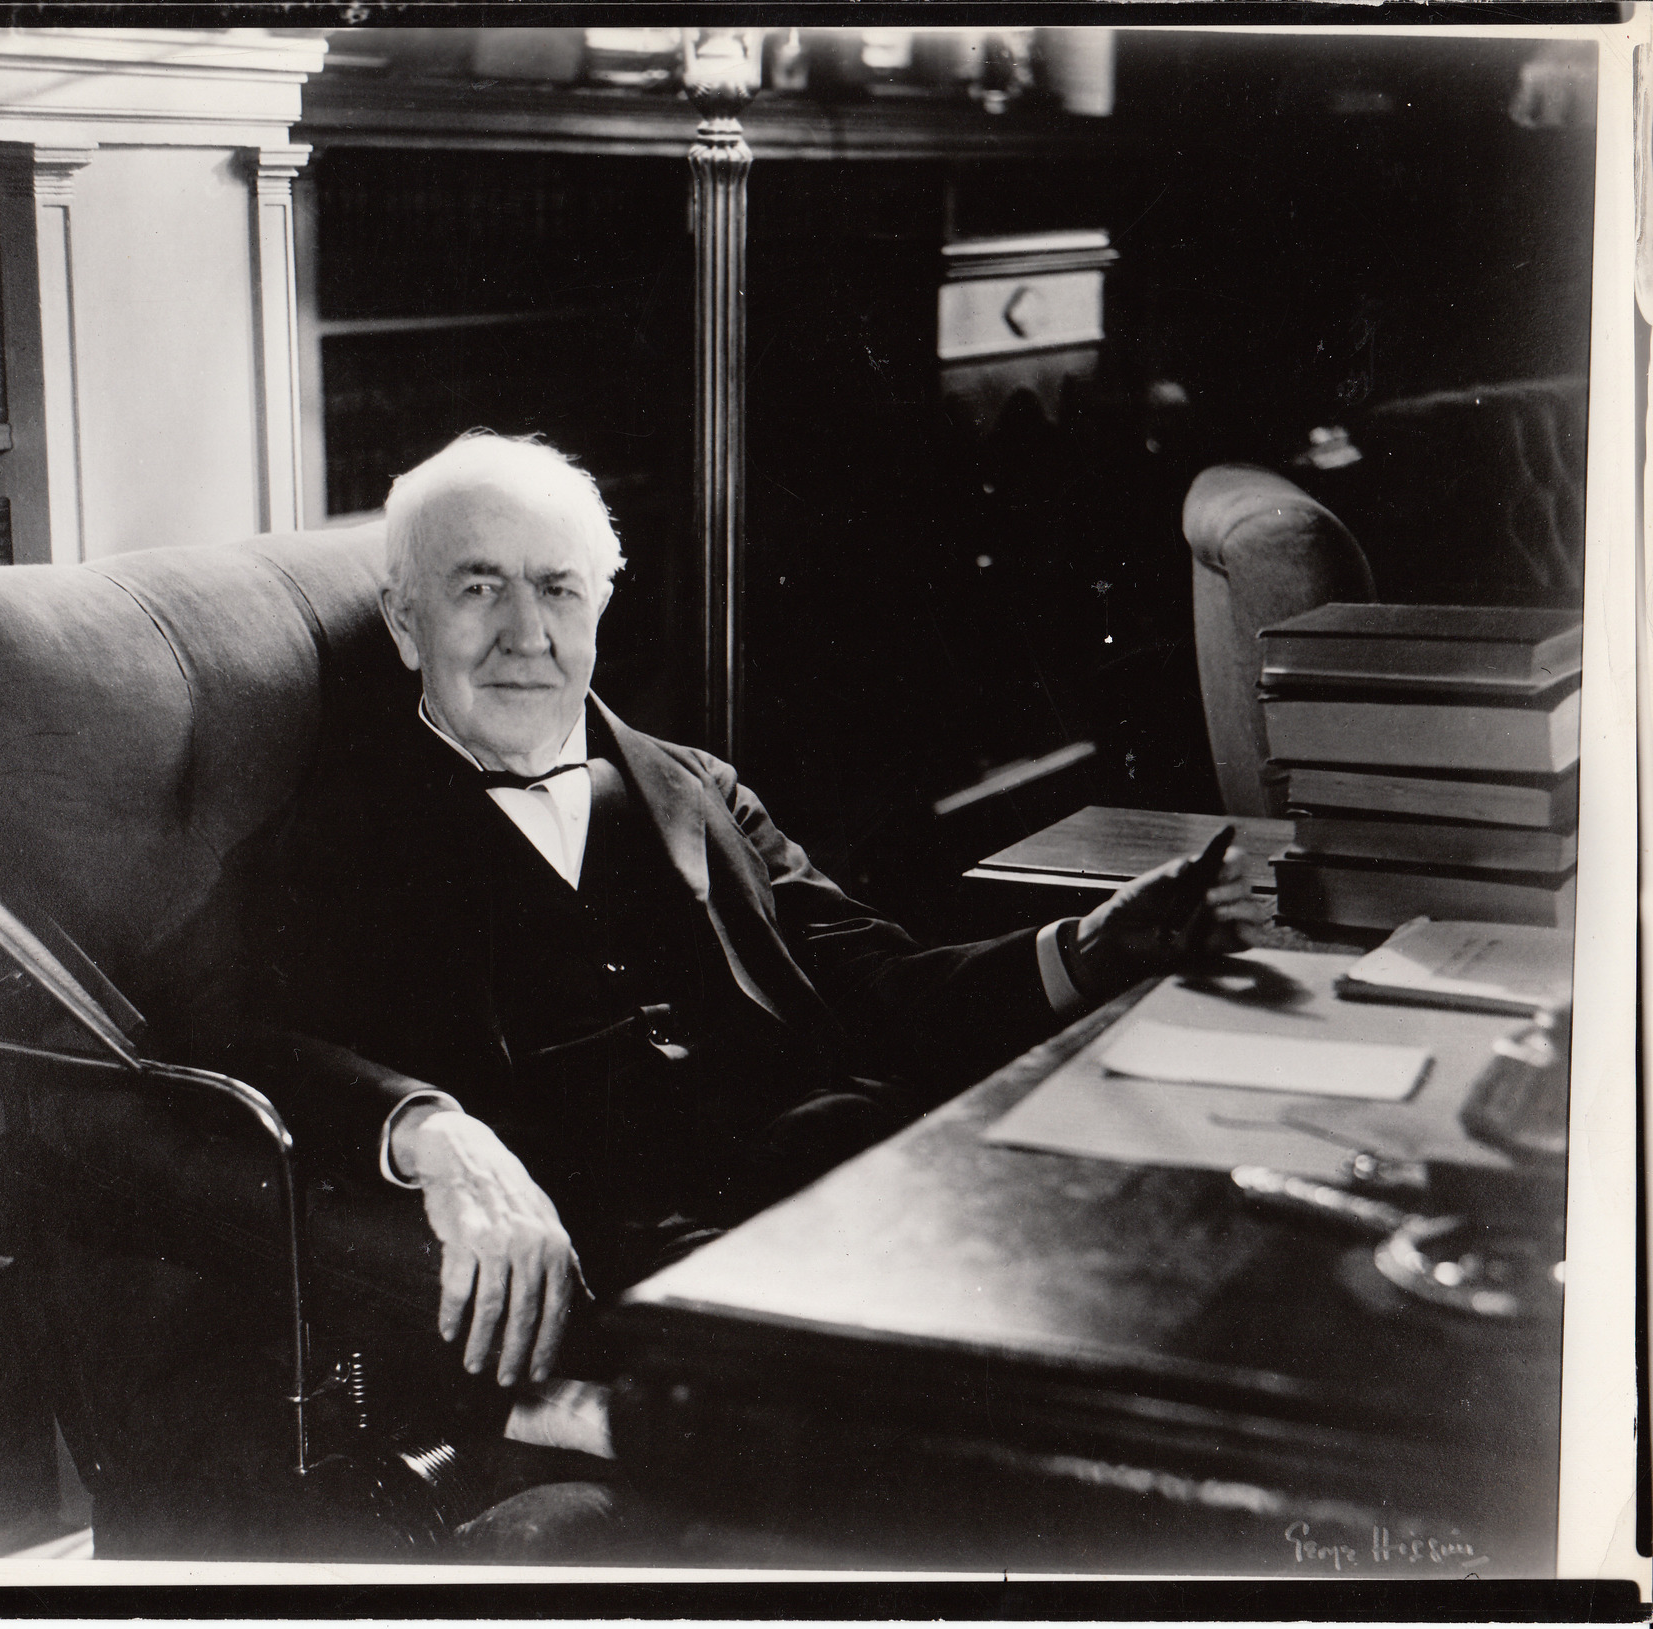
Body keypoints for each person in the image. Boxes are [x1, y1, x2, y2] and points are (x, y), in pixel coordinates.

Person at [224, 431, 1265, 1554]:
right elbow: (234, 1033)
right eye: (478, 589)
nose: (525, 633)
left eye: (557, 589)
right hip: (620, 1276)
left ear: (598, 608)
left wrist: (1089, 947)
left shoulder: (697, 789)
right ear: (403, 619)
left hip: (815, 1208)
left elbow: (877, 979)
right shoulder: (340, 831)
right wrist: (428, 1130)